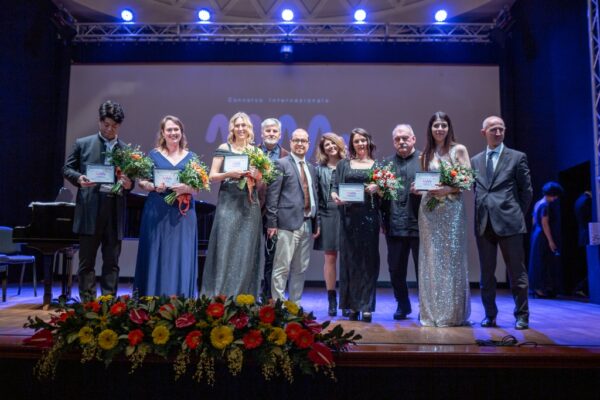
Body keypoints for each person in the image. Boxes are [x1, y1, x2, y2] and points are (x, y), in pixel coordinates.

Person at [63, 100, 132, 301]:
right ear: (99, 121)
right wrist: (79, 178)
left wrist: (129, 184)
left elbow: (131, 182)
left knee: (112, 262)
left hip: (114, 209)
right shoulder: (83, 143)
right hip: (90, 208)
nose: (110, 129)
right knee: (87, 262)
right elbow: (67, 169)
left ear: (120, 125)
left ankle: (109, 305)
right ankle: (88, 306)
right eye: (106, 124)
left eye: (114, 126)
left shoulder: (126, 150)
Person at [472, 115, 533, 330]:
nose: (498, 132)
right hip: (484, 224)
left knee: (517, 272)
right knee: (487, 274)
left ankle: (522, 315)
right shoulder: (475, 160)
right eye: (493, 129)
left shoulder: (517, 157)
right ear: (484, 133)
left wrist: (516, 213)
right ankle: (490, 315)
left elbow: (527, 191)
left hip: (510, 223)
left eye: (501, 129)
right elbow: (477, 190)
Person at [134, 116, 199, 297]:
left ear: (181, 132)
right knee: (156, 253)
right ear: (162, 133)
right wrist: (153, 186)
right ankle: (152, 299)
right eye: (169, 130)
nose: (173, 133)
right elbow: (142, 182)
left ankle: (180, 300)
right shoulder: (153, 155)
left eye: (176, 129)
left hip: (182, 214)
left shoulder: (192, 157)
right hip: (157, 210)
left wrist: (186, 188)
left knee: (181, 255)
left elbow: (197, 189)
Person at [418, 111, 471, 327]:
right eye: (436, 125)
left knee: (451, 259)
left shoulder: (459, 150)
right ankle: (432, 313)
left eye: (443, 125)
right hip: (429, 210)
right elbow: (425, 183)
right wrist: (418, 188)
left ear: (449, 128)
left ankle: (451, 313)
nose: (440, 129)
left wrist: (447, 189)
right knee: (431, 259)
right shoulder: (425, 154)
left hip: (451, 209)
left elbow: (467, 181)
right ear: (430, 129)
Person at [200, 112, 262, 298]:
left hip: (249, 204)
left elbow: (261, 180)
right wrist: (229, 174)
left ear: (249, 128)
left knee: (245, 250)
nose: (241, 129)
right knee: (224, 247)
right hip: (228, 202)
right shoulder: (224, 148)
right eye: (237, 125)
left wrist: (256, 175)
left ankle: (243, 297)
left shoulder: (256, 152)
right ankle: (220, 295)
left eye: (244, 125)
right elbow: (212, 176)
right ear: (232, 128)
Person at [331, 128, 381, 323]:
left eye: (363, 140)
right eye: (357, 141)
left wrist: (379, 187)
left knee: (369, 262)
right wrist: (335, 196)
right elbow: (335, 187)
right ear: (352, 144)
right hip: (348, 218)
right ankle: (352, 306)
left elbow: (386, 193)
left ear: (369, 142)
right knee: (350, 261)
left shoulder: (377, 165)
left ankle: (366, 306)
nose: (360, 144)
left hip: (369, 218)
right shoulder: (343, 164)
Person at [266, 129, 320, 303]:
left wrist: (316, 222)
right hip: (286, 224)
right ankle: (279, 307)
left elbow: (314, 196)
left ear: (308, 144)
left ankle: (294, 307)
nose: (300, 144)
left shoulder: (311, 168)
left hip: (307, 224)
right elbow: (272, 196)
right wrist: (271, 223)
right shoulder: (280, 164)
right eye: (296, 140)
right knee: (281, 268)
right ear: (290, 142)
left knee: (300, 269)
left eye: (303, 141)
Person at [381, 124, 421, 320]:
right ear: (393, 142)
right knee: (396, 269)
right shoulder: (386, 164)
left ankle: (426, 307)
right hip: (394, 224)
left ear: (413, 139)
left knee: (423, 269)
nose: (401, 141)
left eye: (405, 138)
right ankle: (402, 304)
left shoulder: (424, 160)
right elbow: (380, 196)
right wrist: (382, 220)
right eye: (397, 139)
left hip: (420, 224)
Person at [313, 132, 346, 316]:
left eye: (334, 143)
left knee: (349, 259)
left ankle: (348, 299)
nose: (331, 147)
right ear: (323, 149)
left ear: (339, 144)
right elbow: (317, 198)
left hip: (348, 214)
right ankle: (332, 299)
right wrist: (316, 221)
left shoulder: (349, 165)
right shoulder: (319, 170)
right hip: (327, 214)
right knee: (330, 258)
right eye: (327, 145)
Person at [257, 118, 289, 299]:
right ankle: (248, 296)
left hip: (275, 214)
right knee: (251, 255)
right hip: (253, 210)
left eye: (274, 131)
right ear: (261, 133)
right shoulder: (251, 153)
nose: (271, 133)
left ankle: (268, 297)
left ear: (280, 134)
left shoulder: (286, 156)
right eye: (268, 130)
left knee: (272, 257)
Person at [528, 181, 563, 298]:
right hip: (542, 235)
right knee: (542, 261)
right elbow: (545, 223)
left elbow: (534, 221)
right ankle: (540, 289)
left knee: (537, 260)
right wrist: (551, 241)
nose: (556, 198)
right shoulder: (545, 206)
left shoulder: (538, 203)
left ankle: (536, 287)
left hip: (536, 234)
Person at [573, 190, 592, 297]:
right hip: (589, 234)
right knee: (591, 265)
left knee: (585, 264)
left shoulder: (579, 200)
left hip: (583, 234)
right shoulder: (588, 201)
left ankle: (582, 288)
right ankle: (582, 287)